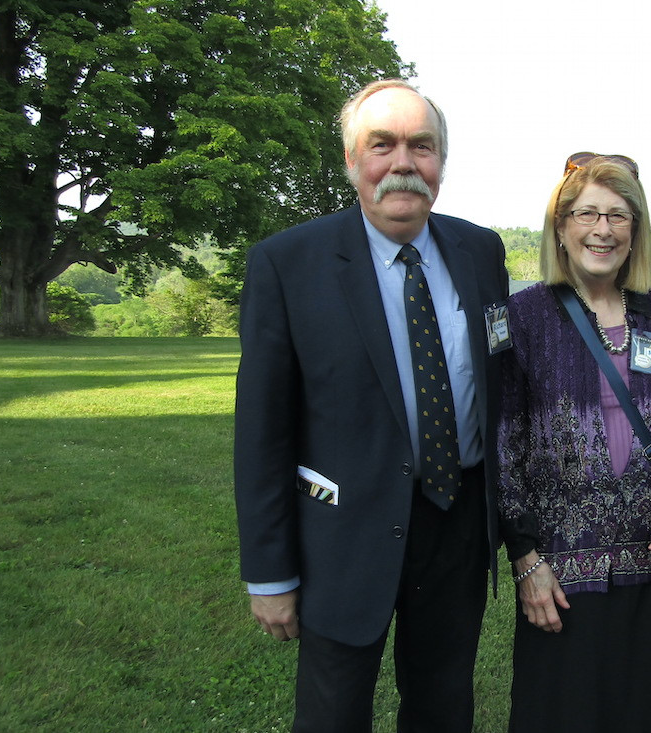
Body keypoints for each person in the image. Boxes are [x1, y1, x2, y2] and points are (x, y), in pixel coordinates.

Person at [233, 79, 509, 732]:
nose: (403, 162)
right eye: (380, 144)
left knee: (443, 707)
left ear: (441, 160)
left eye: (422, 145)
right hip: (342, 533)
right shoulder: (287, 263)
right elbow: (261, 432)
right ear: (352, 161)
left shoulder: (481, 251)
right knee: (333, 713)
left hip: (455, 521)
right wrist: (269, 573)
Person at [497, 153, 651, 733]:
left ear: (636, 230)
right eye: (587, 214)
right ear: (561, 226)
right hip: (564, 580)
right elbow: (504, 448)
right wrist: (525, 562)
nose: (603, 229)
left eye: (619, 216)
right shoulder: (522, 317)